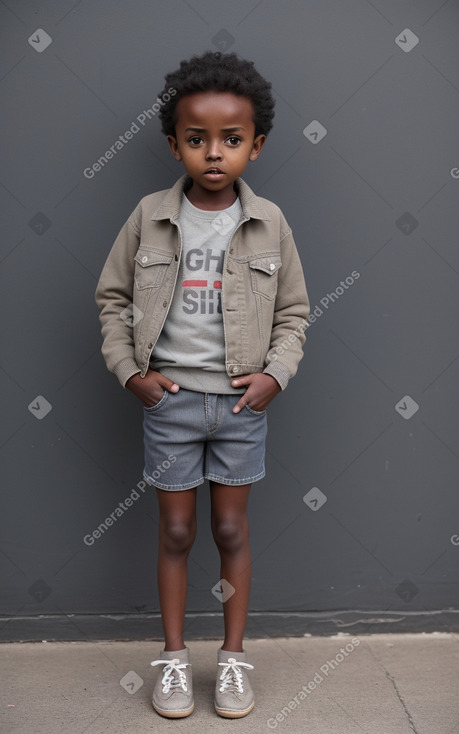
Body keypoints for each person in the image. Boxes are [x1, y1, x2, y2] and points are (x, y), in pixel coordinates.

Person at [95, 49, 310, 720]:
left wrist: (274, 376)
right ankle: (172, 658)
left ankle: (234, 660)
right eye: (196, 139)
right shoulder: (150, 217)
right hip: (173, 406)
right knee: (177, 532)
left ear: (256, 145)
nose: (213, 153)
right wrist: (133, 375)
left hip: (241, 407)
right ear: (174, 144)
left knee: (230, 528)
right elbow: (112, 299)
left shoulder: (269, 222)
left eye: (231, 139)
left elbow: (294, 313)